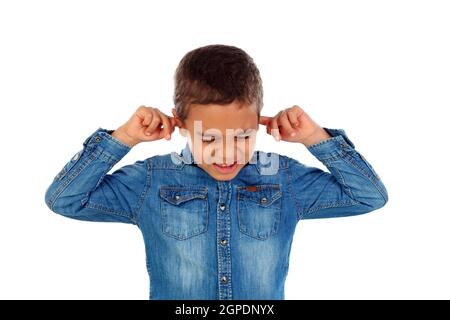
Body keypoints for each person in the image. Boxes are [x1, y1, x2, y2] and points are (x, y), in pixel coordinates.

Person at [45, 44, 388, 299]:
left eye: (242, 136)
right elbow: (65, 200)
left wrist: (317, 138)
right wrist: (123, 139)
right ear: (179, 123)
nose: (226, 152)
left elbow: (368, 196)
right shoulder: (152, 181)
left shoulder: (283, 179)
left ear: (259, 123)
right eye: (208, 137)